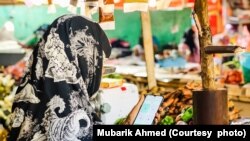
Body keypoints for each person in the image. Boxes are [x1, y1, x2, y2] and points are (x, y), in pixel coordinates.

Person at [7, 14, 112, 141]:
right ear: (86, 62)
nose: (101, 70)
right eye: (100, 62)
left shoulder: (26, 102)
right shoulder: (73, 121)